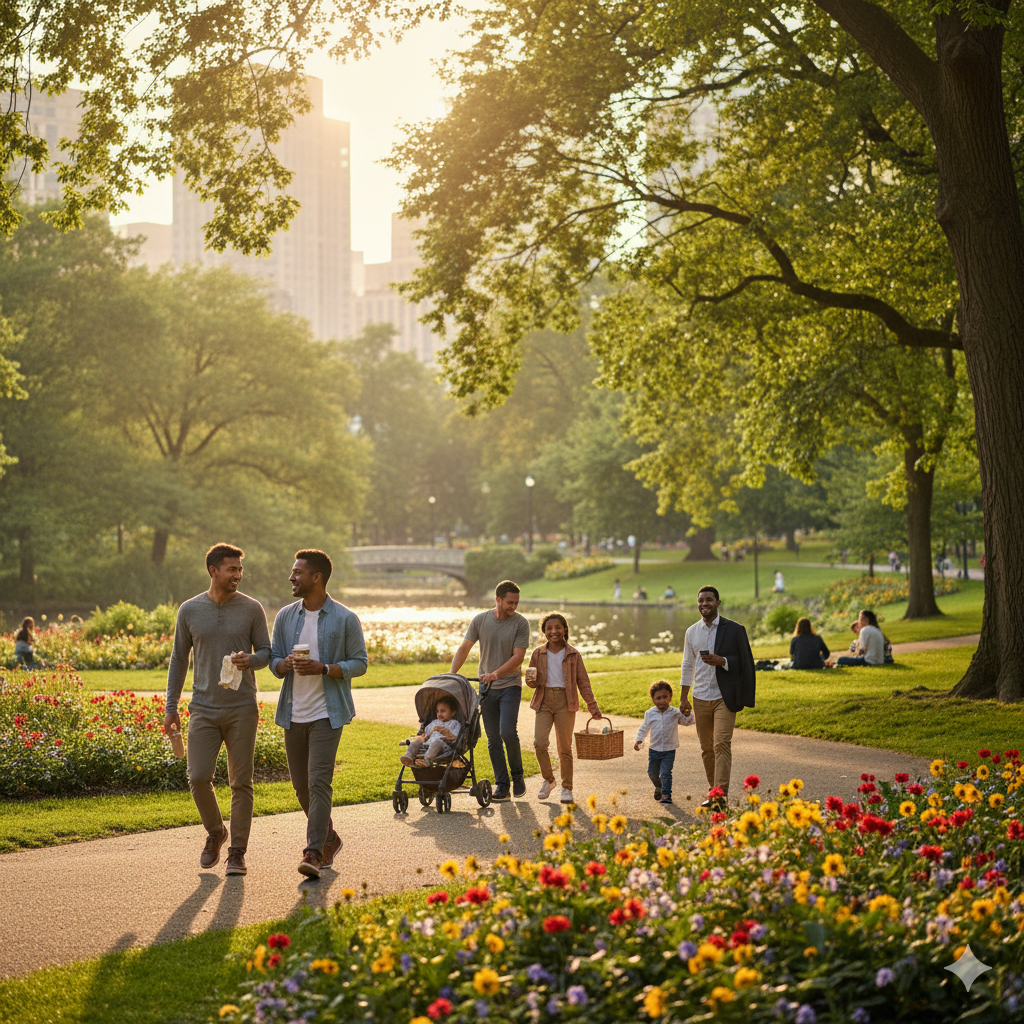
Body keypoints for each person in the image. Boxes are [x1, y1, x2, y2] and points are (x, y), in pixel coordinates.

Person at [165, 544, 272, 877]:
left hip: (242, 708)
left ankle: (237, 852)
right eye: (231, 569)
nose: (238, 575)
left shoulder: (252, 609)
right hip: (203, 708)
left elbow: (267, 652)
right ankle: (216, 833)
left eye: (240, 569)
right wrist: (171, 706)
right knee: (198, 778)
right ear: (213, 570)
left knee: (241, 783)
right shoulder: (190, 610)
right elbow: (179, 659)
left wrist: (250, 660)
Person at [270, 549, 367, 879]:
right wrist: (282, 665)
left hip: (327, 713)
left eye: (297, 572)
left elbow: (360, 663)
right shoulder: (285, 616)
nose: (291, 577)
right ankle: (330, 837)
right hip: (292, 713)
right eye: (292, 571)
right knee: (301, 788)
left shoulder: (344, 618)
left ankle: (312, 852)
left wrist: (324, 668)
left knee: (318, 781)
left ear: (317, 577)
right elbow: (273, 661)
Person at [451, 580, 530, 800]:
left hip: (510, 686)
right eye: (509, 602)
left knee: (507, 732)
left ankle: (518, 775)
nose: (513, 606)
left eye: (516, 602)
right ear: (498, 600)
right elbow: (464, 647)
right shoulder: (480, 620)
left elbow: (518, 657)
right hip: (486, 688)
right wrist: (452, 673)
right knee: (493, 738)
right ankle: (503, 786)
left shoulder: (521, 624)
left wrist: (496, 674)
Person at [678, 585, 756, 811]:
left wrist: (724, 661)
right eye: (701, 600)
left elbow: (746, 661)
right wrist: (684, 697)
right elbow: (687, 664)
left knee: (721, 743)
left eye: (709, 600)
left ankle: (719, 797)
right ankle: (714, 792)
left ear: (718, 603)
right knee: (707, 748)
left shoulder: (734, 629)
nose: (704, 604)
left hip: (724, 696)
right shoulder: (691, 632)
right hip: (700, 697)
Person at [525, 612, 601, 804]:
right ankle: (549, 780)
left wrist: (592, 706)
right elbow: (531, 680)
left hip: (565, 703)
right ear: (544, 631)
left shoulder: (573, 654)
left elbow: (583, 682)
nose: (553, 631)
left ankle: (567, 788)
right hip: (543, 701)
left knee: (564, 748)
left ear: (565, 629)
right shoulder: (538, 653)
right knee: (539, 743)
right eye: (549, 628)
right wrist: (530, 682)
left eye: (558, 627)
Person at [634, 680, 692, 804]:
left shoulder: (675, 713)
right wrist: (639, 740)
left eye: (665, 697)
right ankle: (659, 786)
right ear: (653, 699)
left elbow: (687, 722)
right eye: (658, 698)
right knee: (652, 772)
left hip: (669, 750)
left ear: (670, 697)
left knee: (666, 772)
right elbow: (644, 728)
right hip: (654, 749)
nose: (662, 701)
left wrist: (688, 714)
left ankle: (666, 794)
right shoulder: (650, 713)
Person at [401, 695, 462, 767]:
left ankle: (426, 761)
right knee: (416, 741)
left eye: (443, 711)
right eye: (437, 711)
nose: (440, 714)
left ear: (452, 713)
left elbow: (456, 738)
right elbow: (426, 736)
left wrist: (446, 733)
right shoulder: (434, 723)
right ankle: (408, 757)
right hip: (427, 745)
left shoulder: (455, 724)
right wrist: (429, 734)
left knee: (437, 742)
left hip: (444, 747)